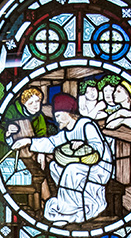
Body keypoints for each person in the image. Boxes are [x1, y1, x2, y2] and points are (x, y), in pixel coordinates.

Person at [12, 93, 113, 225]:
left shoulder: (86, 125)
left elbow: (98, 147)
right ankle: (71, 204)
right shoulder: (66, 133)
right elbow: (51, 143)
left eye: (59, 115)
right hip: (83, 166)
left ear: (68, 113)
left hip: (99, 167)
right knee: (54, 166)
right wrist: (28, 142)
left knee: (72, 169)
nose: (56, 119)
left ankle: (69, 210)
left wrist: (84, 144)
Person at [0, 86, 49, 159]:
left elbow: (42, 135)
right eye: (31, 102)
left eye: (37, 101)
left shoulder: (39, 116)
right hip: (8, 153)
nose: (35, 105)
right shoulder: (11, 111)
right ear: (24, 103)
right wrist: (7, 130)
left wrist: (41, 152)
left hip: (30, 154)